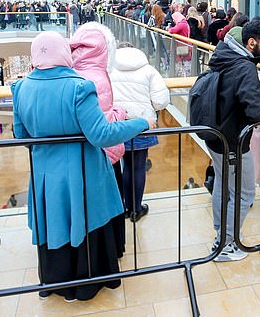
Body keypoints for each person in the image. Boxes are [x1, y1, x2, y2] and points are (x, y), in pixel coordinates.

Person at [11, 31, 154, 302]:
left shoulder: (22, 88)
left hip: (44, 174)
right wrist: (142, 123)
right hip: (82, 171)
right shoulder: (79, 87)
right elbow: (101, 134)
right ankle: (88, 284)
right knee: (86, 220)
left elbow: (22, 137)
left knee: (56, 222)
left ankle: (58, 282)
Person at [207, 21, 260, 261]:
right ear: (251, 43)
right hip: (234, 142)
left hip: (218, 137)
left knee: (223, 187)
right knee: (244, 194)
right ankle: (226, 245)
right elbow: (255, 110)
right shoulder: (244, 68)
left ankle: (222, 237)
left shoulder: (223, 58)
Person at [70, 22, 128, 255]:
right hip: (104, 154)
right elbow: (102, 123)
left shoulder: (72, 73)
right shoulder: (97, 77)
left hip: (78, 156)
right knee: (108, 205)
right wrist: (121, 114)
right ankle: (110, 251)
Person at [110, 45, 170, 222]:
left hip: (117, 124)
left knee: (121, 166)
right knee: (137, 167)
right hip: (142, 124)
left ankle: (121, 208)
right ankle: (136, 209)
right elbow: (161, 101)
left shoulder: (109, 69)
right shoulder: (149, 70)